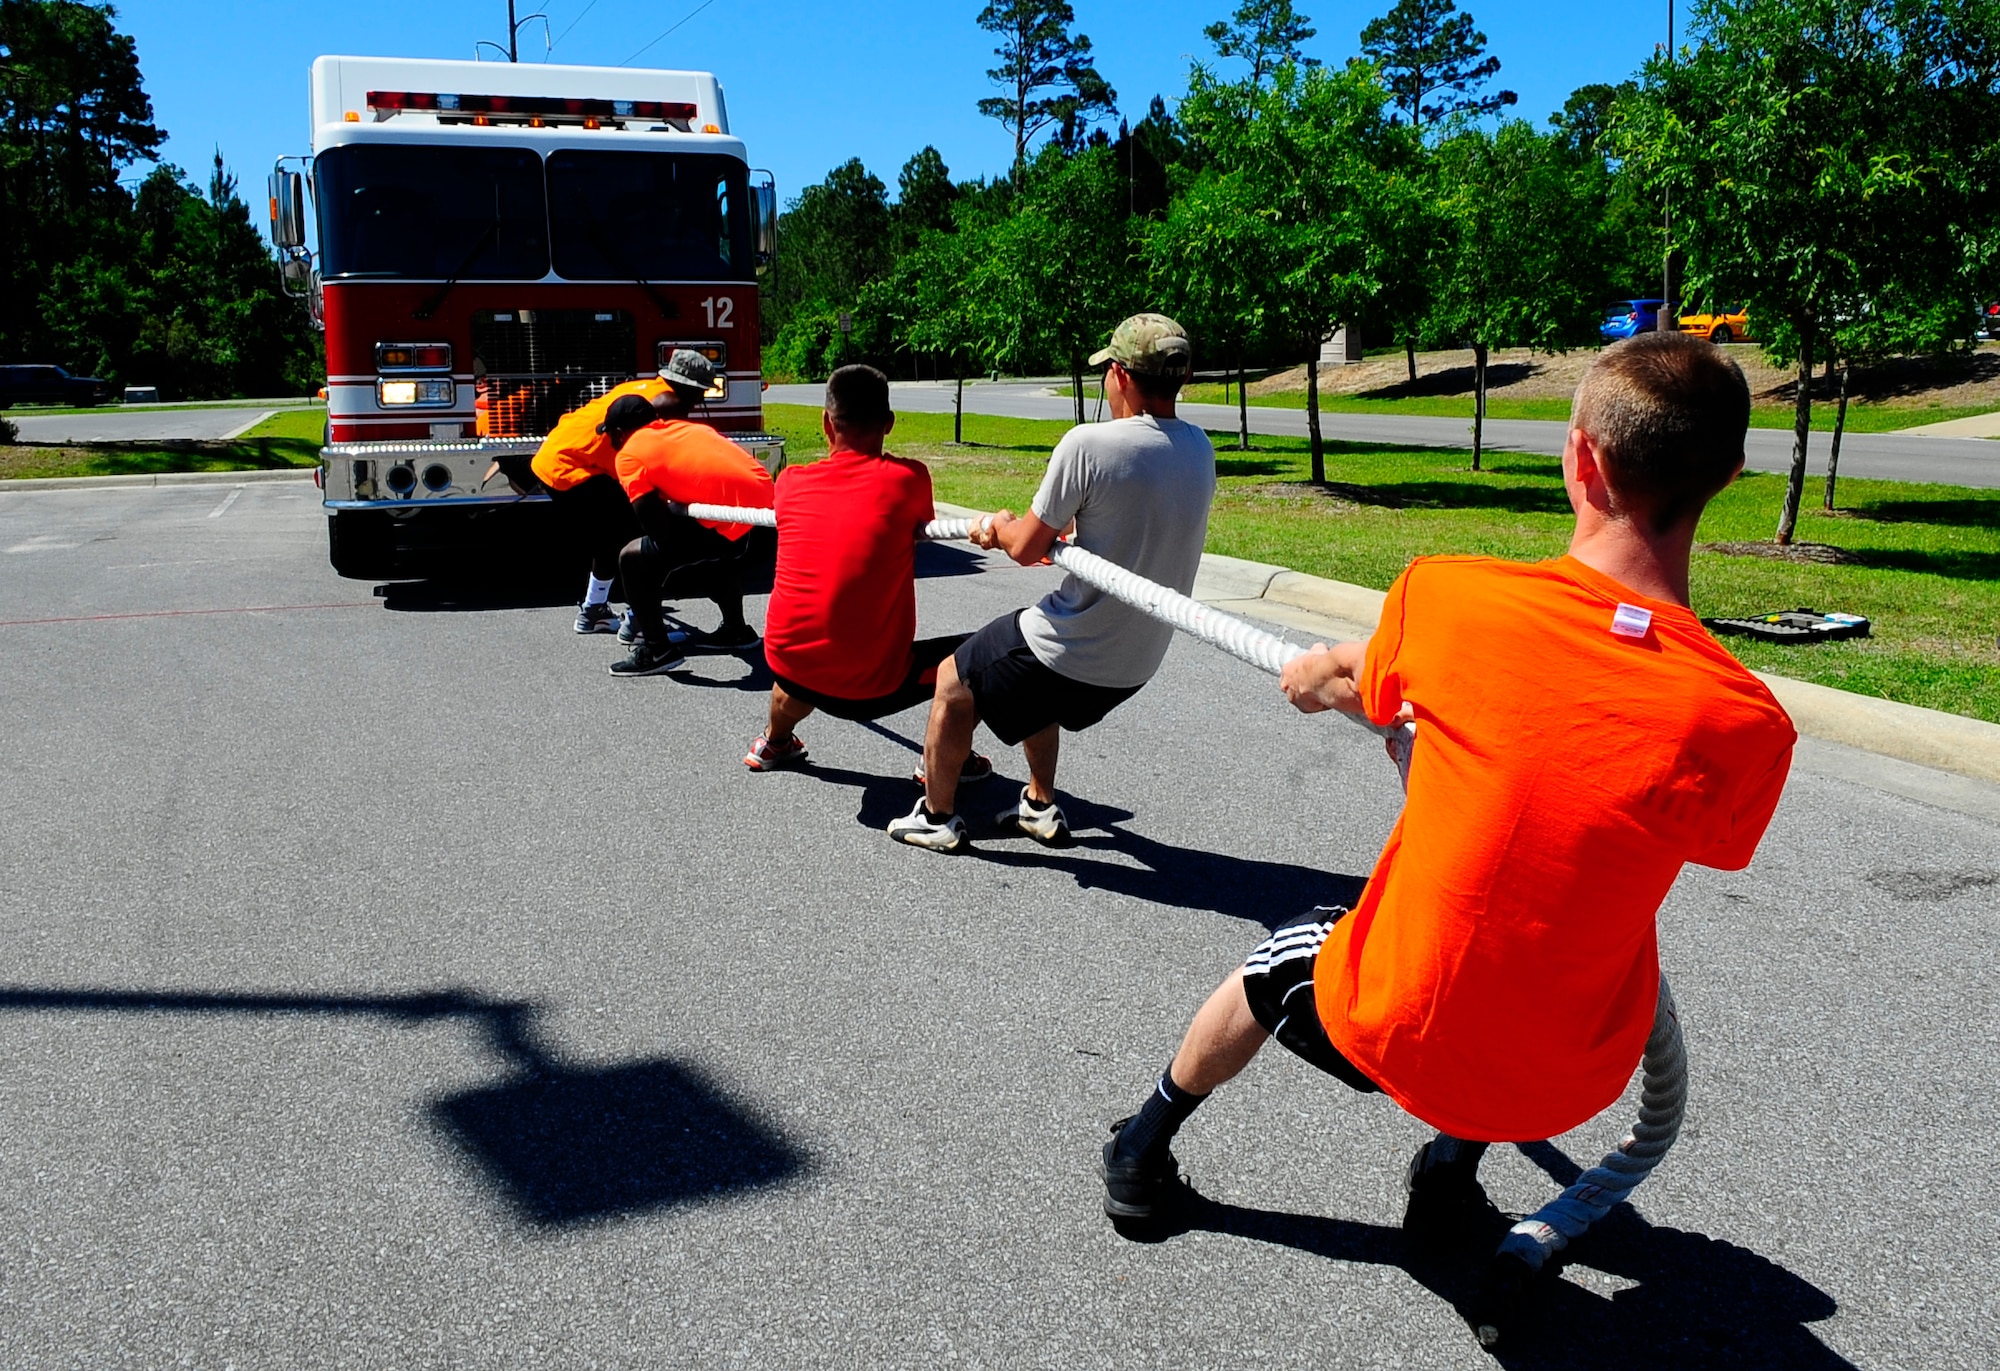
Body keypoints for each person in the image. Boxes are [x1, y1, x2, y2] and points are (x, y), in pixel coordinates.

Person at [1096, 331, 1797, 1332]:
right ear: (1727, 476)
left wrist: (1320, 673)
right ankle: (1445, 1179)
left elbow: (1344, 677)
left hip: (1404, 1033)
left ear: (1578, 459)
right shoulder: (1743, 725)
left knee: (1285, 957)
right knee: (1526, 946)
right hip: (1568, 1079)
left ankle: (1141, 1149)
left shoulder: (1450, 598)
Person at [886, 314, 1216, 854]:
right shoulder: (1199, 448)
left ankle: (937, 817)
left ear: (1120, 375)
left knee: (953, 678)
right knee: (1033, 678)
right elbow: (1132, 514)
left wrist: (997, 524)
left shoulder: (1088, 444)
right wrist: (1071, 528)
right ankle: (1039, 807)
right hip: (1136, 663)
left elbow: (1023, 548)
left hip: (1078, 648)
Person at [745, 364, 989, 787]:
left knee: (808, 640)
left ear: (826, 422)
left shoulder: (789, 481)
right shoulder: (908, 479)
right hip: (873, 686)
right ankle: (946, 755)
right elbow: (913, 519)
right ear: (889, 423)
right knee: (985, 656)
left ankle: (774, 742)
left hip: (789, 667)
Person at [608, 350, 775, 678]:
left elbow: (660, 532)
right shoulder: (688, 430)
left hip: (735, 521)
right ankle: (736, 630)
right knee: (709, 544)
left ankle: (657, 648)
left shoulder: (628, 454)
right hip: (767, 519)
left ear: (617, 432)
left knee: (632, 557)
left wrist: (655, 586)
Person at [495, 376, 671, 634]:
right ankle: (641, 620)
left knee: (609, 539)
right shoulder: (624, 450)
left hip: (554, 461)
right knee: (637, 538)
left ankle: (594, 611)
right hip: (568, 471)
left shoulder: (631, 401)